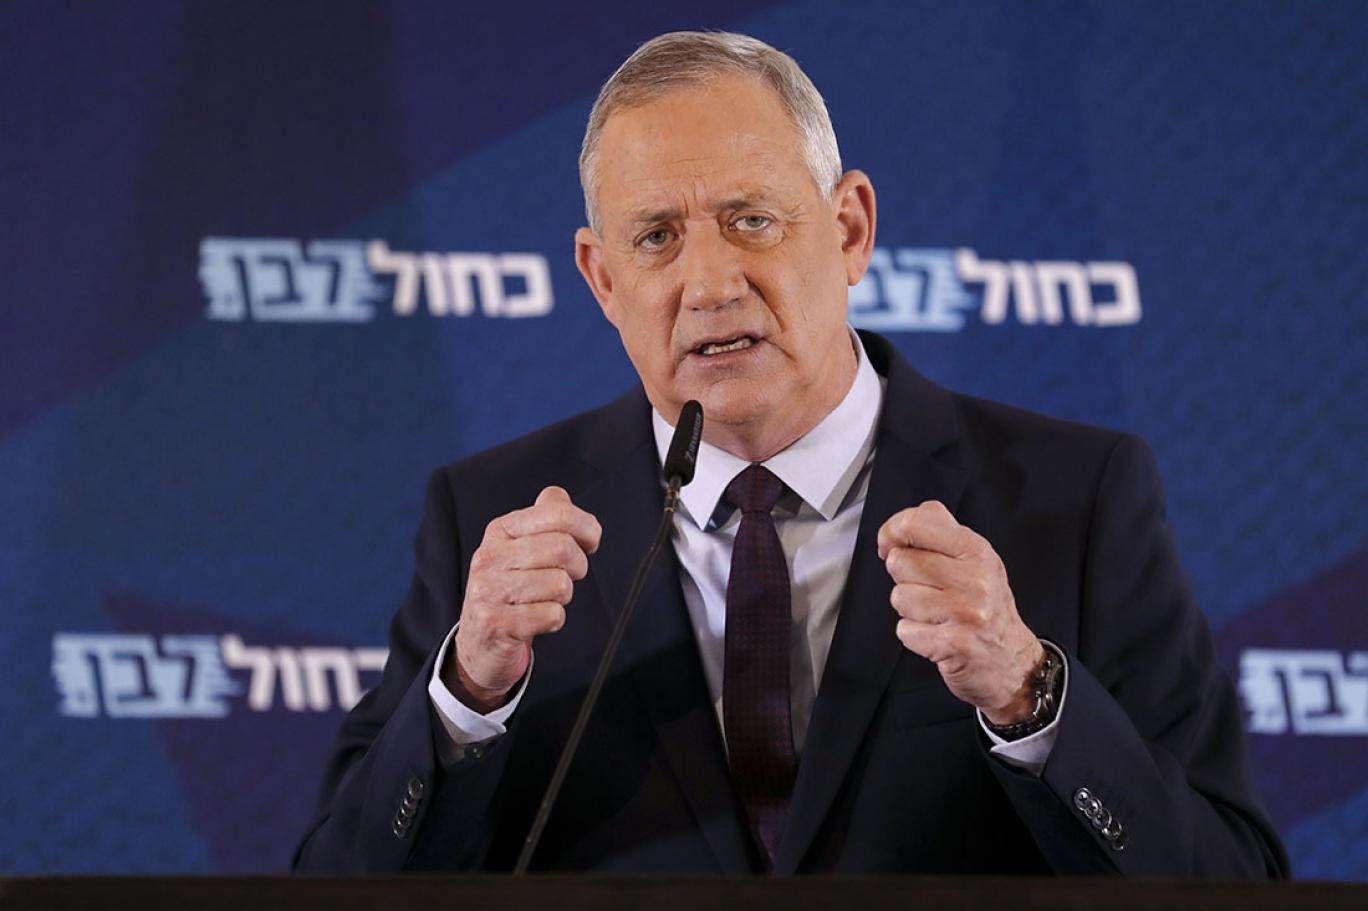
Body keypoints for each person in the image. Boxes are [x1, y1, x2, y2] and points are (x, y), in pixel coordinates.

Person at [293, 31, 1287, 875]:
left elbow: (1234, 876)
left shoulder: (1073, 498)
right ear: (602, 279)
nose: (710, 282)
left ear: (850, 230)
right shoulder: (493, 517)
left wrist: (1032, 695)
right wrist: (466, 695)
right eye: (656, 238)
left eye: (752, 220)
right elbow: (334, 880)